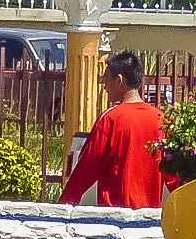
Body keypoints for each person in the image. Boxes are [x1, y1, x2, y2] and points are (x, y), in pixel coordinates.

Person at [61, 49, 173, 208]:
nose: (105, 86)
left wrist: (64, 205)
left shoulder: (110, 119)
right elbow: (174, 174)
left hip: (114, 215)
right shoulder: (161, 120)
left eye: (106, 80)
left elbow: (87, 168)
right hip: (149, 217)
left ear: (119, 80)